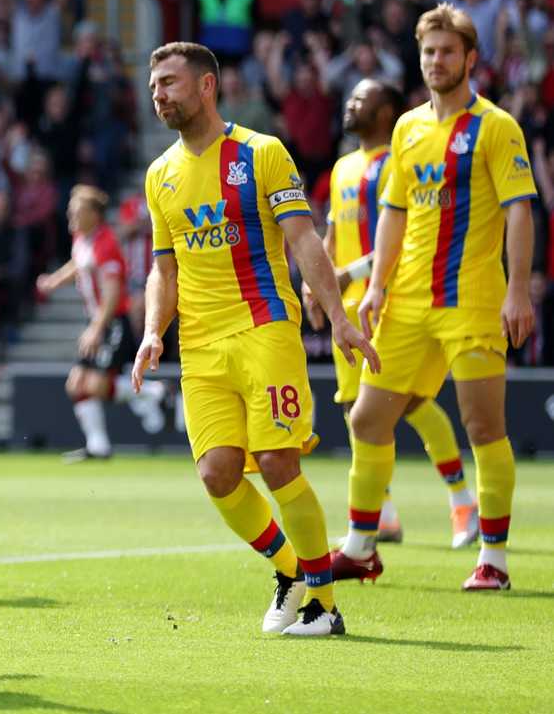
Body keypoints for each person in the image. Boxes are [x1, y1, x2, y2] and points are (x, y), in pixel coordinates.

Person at [134, 41, 378, 638]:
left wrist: (338, 315)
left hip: (264, 326)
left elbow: (303, 238)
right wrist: (150, 332)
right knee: (217, 474)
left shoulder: (261, 153)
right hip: (200, 345)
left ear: (207, 86)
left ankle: (324, 604)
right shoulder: (159, 175)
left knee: (275, 462)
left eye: (168, 82)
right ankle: (291, 572)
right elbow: (163, 269)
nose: (158, 94)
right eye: (154, 85)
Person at [332, 5, 534, 591]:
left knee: (482, 425)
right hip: (408, 302)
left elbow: (520, 210)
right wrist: (376, 285)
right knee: (368, 418)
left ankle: (492, 558)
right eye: (428, 52)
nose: (436, 62)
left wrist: (517, 290)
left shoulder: (495, 126)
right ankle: (362, 547)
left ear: (470, 58)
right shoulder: (408, 128)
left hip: (471, 298)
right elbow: (394, 214)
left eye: (447, 51)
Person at [303, 78, 480, 550]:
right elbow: (335, 233)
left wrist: (352, 276)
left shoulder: (393, 164)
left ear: (386, 113)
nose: (351, 103)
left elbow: (403, 240)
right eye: (351, 95)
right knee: (351, 407)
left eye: (362, 98)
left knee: (413, 404)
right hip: (347, 308)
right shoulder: (342, 168)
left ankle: (463, 501)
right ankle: (382, 515)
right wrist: (317, 282)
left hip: (389, 303)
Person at [35, 185, 166, 462]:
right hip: (96, 319)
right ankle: (98, 446)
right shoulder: (82, 238)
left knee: (94, 385)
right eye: (71, 212)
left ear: (95, 214)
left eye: (78, 212)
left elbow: (113, 293)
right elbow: (77, 264)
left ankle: (152, 392)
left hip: (112, 321)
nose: (72, 217)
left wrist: (96, 328)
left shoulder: (107, 244)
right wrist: (53, 281)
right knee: (75, 385)